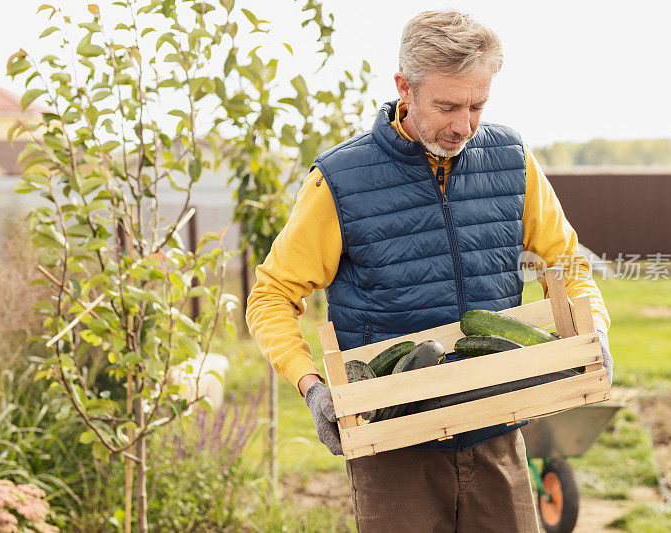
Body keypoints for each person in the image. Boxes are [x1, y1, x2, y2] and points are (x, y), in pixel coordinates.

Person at [246, 9, 613, 532]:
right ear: (405, 88)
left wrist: (594, 329)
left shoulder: (512, 159)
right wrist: (312, 386)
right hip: (394, 442)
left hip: (496, 426)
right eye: (447, 106)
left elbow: (568, 259)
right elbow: (271, 296)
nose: (463, 125)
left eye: (477, 105)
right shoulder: (340, 182)